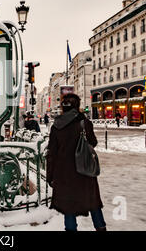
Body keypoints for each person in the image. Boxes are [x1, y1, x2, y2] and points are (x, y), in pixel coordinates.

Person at [46, 93, 106, 231]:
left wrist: (51, 176)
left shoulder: (56, 125)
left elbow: (52, 153)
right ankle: (101, 227)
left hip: (64, 173)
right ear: (77, 106)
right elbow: (93, 143)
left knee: (69, 207)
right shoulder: (84, 123)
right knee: (93, 203)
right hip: (84, 169)